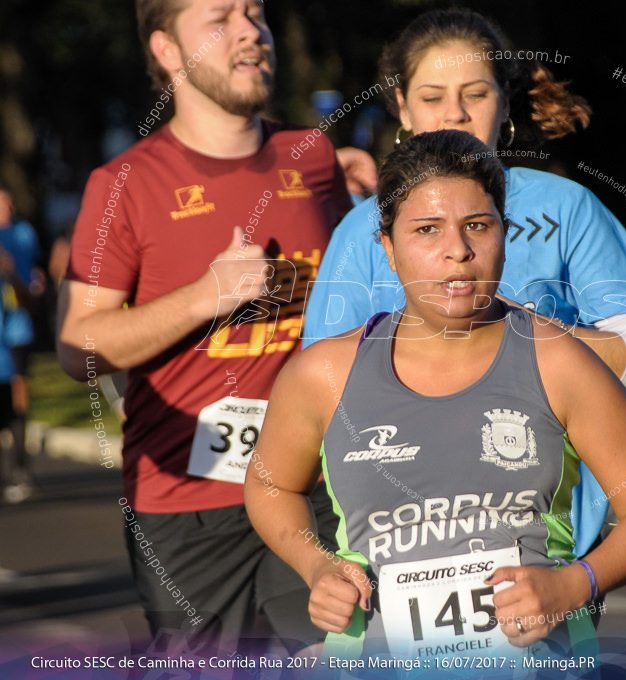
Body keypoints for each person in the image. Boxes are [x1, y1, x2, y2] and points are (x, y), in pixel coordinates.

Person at [246, 129, 626, 664]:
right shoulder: (323, 374)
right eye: (427, 230)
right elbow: (271, 486)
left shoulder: (559, 360)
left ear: (505, 233)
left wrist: (574, 586)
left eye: (478, 225)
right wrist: (317, 566)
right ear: (387, 247)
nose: (457, 250)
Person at [304, 8, 626, 561]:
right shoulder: (364, 228)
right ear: (402, 107)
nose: (454, 112)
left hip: (549, 542)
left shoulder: (566, 206)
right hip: (397, 545)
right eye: (432, 96)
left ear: (504, 100)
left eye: (475, 93)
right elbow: (319, 395)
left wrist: (524, 336)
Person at [57, 0, 365, 654]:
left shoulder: (310, 158)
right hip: (186, 507)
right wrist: (205, 296)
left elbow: (348, 301)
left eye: (256, 14)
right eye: (220, 20)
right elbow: (76, 344)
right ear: (168, 51)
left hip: (308, 486)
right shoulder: (124, 184)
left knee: (334, 658)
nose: (251, 33)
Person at [0, 188, 45, 505]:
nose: (9, 207)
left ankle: (20, 470)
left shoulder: (23, 232)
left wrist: (11, 271)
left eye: (10, 201)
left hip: (14, 330)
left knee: (17, 400)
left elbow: (29, 287)